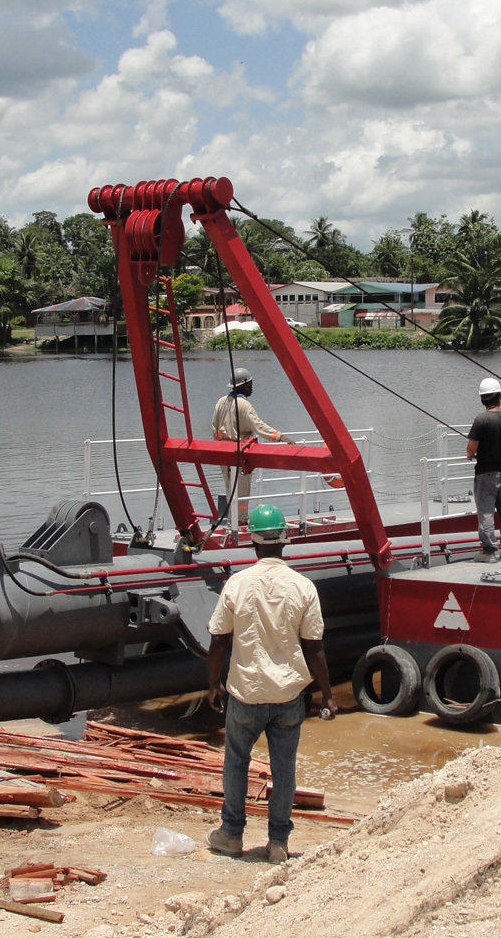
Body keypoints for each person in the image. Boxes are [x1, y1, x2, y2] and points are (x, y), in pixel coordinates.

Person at [204, 504, 337, 864]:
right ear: (285, 539)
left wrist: (213, 684)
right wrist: (326, 695)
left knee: (235, 763)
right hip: (288, 695)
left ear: (253, 542)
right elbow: (315, 648)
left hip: (245, 693)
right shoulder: (303, 587)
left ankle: (231, 834)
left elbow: (218, 639)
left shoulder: (237, 584)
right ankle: (278, 843)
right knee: (284, 769)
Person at [212, 367, 296, 518]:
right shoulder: (244, 405)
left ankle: (232, 519)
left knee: (229, 488)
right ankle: (241, 521)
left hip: (222, 452)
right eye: (250, 384)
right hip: (239, 454)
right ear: (244, 385)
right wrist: (280, 437)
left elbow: (214, 426)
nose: (252, 387)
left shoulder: (221, 402)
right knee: (241, 491)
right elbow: (258, 426)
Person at [466, 377, 501, 563]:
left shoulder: (481, 420)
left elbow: (471, 449)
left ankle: (489, 552)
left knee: (486, 512)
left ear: (482, 399)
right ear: (499, 397)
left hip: (486, 473)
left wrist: (471, 455)